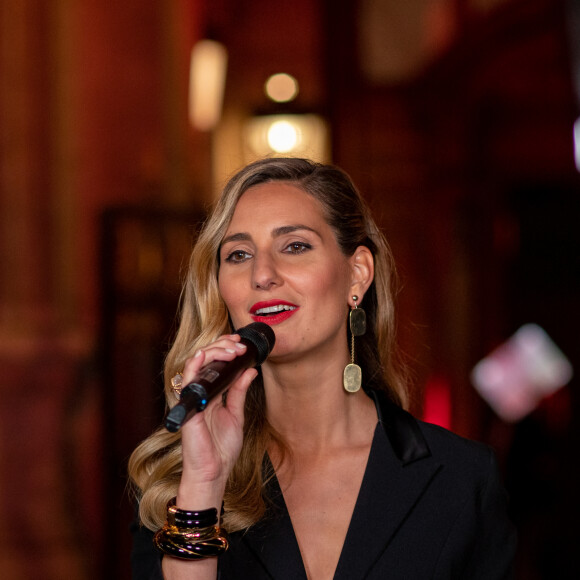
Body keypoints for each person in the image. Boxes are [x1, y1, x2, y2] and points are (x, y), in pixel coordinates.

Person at [128, 157, 516, 579]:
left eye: (295, 246)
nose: (262, 274)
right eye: (239, 254)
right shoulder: (173, 487)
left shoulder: (462, 480)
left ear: (357, 273)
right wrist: (204, 483)